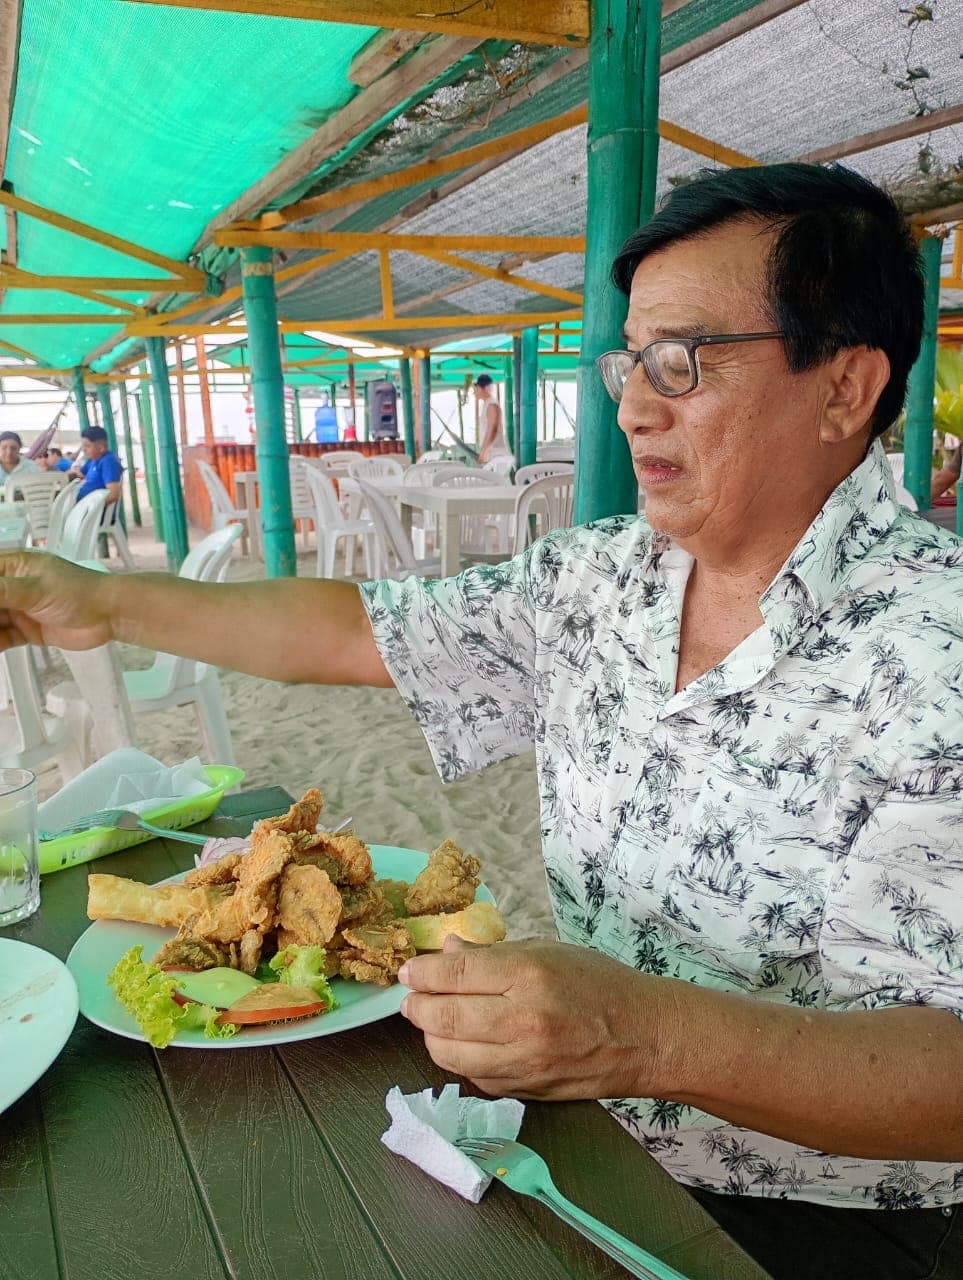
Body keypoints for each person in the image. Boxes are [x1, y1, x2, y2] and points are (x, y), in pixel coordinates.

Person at [0, 164, 960, 1279]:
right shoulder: (607, 578)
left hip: (825, 1213)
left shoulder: (934, 655)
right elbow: (357, 632)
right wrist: (103, 601)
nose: (633, 403)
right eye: (629, 360)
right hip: (584, 1124)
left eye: (683, 361)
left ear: (845, 387)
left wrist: (644, 1033)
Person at [69, 425, 123, 515]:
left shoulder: (108, 462)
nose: (84, 450)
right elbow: (79, 474)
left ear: (101, 448)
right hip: (83, 508)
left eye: (87, 446)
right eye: (83, 446)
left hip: (93, 514)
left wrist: (87, 506)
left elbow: (113, 494)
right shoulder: (94, 460)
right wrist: (60, 476)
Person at [472, 374, 510, 464]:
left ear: (485, 388)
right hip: (491, 453)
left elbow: (493, 429)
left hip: (496, 453)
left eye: (476, 389)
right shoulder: (485, 405)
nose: (474, 393)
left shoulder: (492, 405)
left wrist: (485, 451)